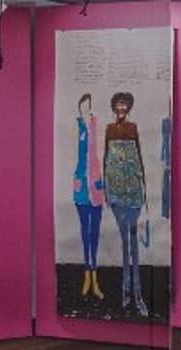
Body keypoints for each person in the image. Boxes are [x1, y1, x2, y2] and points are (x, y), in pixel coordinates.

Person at [103, 91, 151, 318]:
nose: (121, 108)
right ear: (114, 107)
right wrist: (107, 192)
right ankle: (126, 291)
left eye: (124, 104)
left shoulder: (133, 128)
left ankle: (138, 294)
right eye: (118, 104)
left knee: (133, 245)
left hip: (134, 194)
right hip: (116, 194)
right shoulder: (109, 129)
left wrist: (145, 192)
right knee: (125, 243)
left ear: (128, 107)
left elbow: (139, 158)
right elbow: (106, 159)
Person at [72, 93, 106, 300]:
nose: (86, 109)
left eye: (88, 105)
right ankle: (87, 276)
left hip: (96, 186)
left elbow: (100, 153)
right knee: (85, 234)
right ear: (80, 108)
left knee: (95, 234)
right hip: (81, 189)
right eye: (83, 106)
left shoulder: (96, 126)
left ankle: (95, 279)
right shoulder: (77, 126)